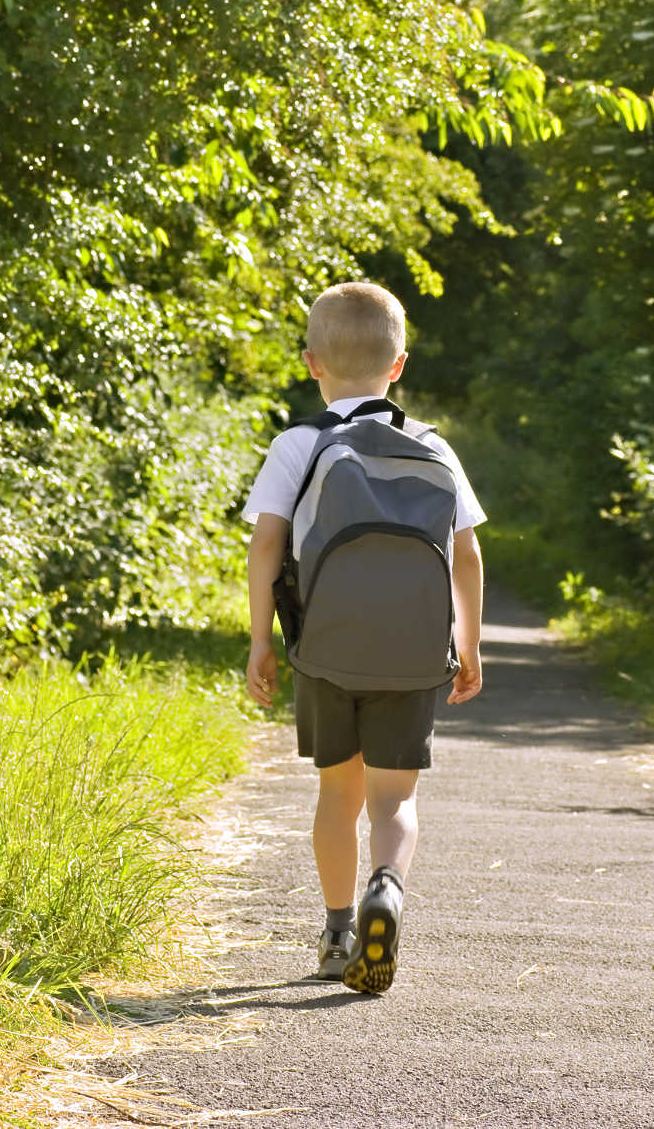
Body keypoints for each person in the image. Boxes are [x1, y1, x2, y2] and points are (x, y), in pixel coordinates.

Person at [243, 281, 485, 993]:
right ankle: (388, 887)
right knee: (394, 802)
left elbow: (266, 548)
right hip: (412, 656)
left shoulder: (299, 443)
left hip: (325, 648)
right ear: (399, 364)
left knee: (336, 797)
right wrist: (466, 645)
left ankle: (339, 930)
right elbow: (465, 553)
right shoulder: (433, 447)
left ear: (312, 362)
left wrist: (261, 639)